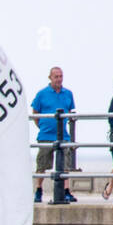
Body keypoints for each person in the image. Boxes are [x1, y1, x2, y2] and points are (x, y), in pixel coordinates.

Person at [30, 67, 77, 202]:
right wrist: (42, 126)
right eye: (56, 76)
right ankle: (38, 189)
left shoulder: (68, 93)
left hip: (63, 135)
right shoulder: (42, 94)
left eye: (61, 76)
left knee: (66, 163)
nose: (59, 79)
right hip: (46, 134)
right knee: (42, 164)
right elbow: (35, 113)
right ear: (50, 77)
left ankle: (66, 190)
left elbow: (70, 111)